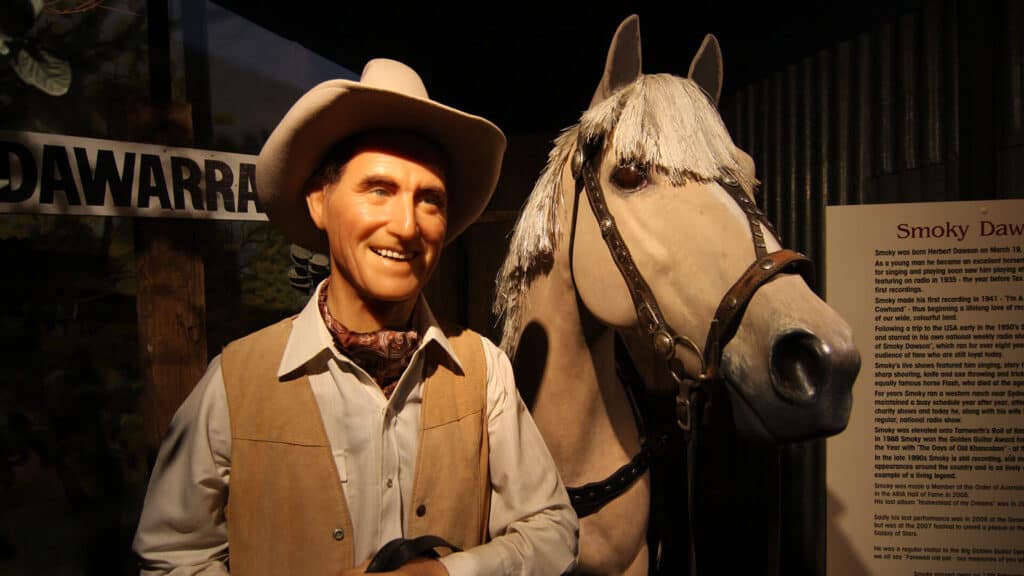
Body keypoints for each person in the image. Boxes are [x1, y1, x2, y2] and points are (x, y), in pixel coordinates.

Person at [132, 58, 579, 575]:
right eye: (379, 190)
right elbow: (172, 558)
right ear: (320, 204)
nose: (407, 225)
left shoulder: (483, 371)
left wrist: (448, 574)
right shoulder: (237, 382)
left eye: (430, 199)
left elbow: (552, 531)